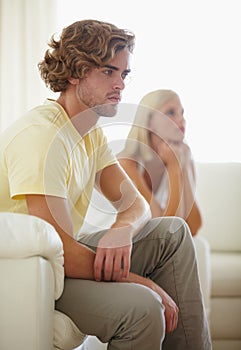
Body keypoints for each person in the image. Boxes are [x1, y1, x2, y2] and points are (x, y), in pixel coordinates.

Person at [0, 20, 211, 349]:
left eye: (123, 75)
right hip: (33, 272)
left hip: (61, 258)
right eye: (108, 72)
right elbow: (57, 250)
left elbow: (135, 204)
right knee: (144, 308)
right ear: (75, 72)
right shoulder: (41, 135)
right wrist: (141, 282)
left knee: (172, 233)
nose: (120, 86)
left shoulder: (88, 131)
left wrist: (123, 228)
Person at [118, 89, 202, 236]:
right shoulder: (127, 163)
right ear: (149, 122)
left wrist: (183, 166)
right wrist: (174, 168)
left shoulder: (178, 155)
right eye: (170, 112)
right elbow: (166, 231)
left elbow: (193, 228)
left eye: (182, 113)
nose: (181, 120)